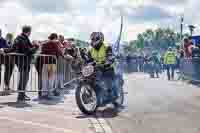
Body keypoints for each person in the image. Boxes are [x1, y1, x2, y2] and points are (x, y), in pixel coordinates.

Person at [88, 32, 119, 106]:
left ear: (101, 39)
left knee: (108, 81)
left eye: (95, 39)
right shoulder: (90, 50)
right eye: (92, 39)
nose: (93, 40)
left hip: (107, 67)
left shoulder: (107, 47)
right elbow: (88, 60)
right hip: (97, 68)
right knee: (91, 79)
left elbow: (110, 56)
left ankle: (114, 96)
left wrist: (109, 60)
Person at [12, 25, 39, 102]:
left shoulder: (22, 37)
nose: (30, 33)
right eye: (30, 31)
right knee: (24, 78)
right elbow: (27, 51)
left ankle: (22, 94)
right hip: (23, 61)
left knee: (24, 78)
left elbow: (29, 48)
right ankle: (21, 95)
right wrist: (36, 47)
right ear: (28, 31)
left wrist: (34, 46)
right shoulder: (22, 38)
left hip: (22, 61)